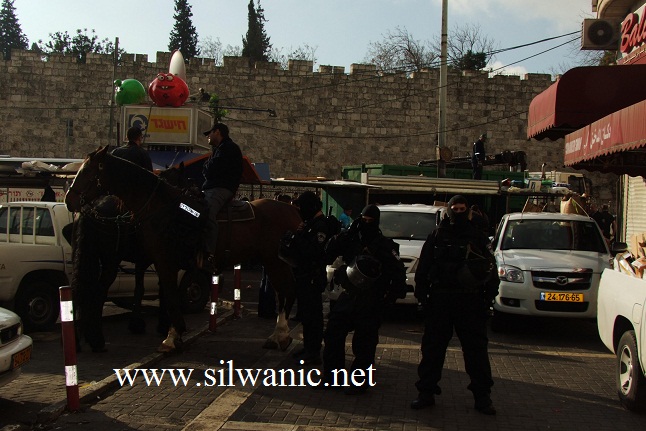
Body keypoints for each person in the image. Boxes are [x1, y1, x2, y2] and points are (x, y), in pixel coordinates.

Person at [411, 195, 499, 415]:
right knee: (432, 350)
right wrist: (422, 297)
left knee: (476, 352)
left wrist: (487, 299)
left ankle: (482, 397)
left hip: (470, 301)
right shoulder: (437, 236)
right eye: (455, 209)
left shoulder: (477, 237)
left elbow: (491, 270)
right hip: (440, 300)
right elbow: (423, 269)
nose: (458, 213)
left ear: (468, 211)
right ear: (449, 210)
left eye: (462, 209)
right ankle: (426, 392)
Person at [322, 204, 407, 394]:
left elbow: (398, 273)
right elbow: (328, 252)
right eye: (364, 220)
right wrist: (345, 233)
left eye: (370, 221)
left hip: (371, 300)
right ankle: (332, 377)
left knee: (365, 344)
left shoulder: (385, 245)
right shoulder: (351, 238)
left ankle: (359, 382)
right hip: (349, 295)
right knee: (333, 334)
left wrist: (390, 299)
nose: (366, 224)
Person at [280, 191, 331, 365]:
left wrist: (296, 239)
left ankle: (313, 351)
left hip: (312, 276)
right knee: (306, 316)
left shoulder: (320, 226)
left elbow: (313, 251)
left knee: (313, 316)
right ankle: (308, 347)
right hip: (304, 275)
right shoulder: (310, 224)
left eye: (302, 207)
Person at [201, 123, 243, 264]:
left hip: (221, 189)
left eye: (210, 133)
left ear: (217, 132)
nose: (208, 136)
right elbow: (208, 169)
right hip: (214, 188)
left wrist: (207, 167)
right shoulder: (219, 149)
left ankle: (209, 253)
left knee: (207, 212)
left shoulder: (228, 148)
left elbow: (209, 170)